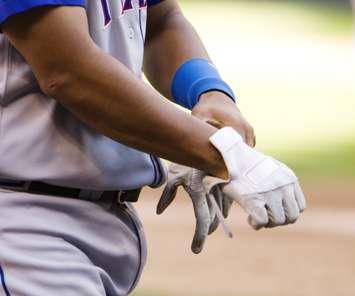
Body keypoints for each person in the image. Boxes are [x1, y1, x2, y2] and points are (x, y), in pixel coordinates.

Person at [0, 1, 306, 295]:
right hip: (24, 224)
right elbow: (67, 71)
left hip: (89, 221)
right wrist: (224, 154)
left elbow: (160, 22)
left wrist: (209, 91)